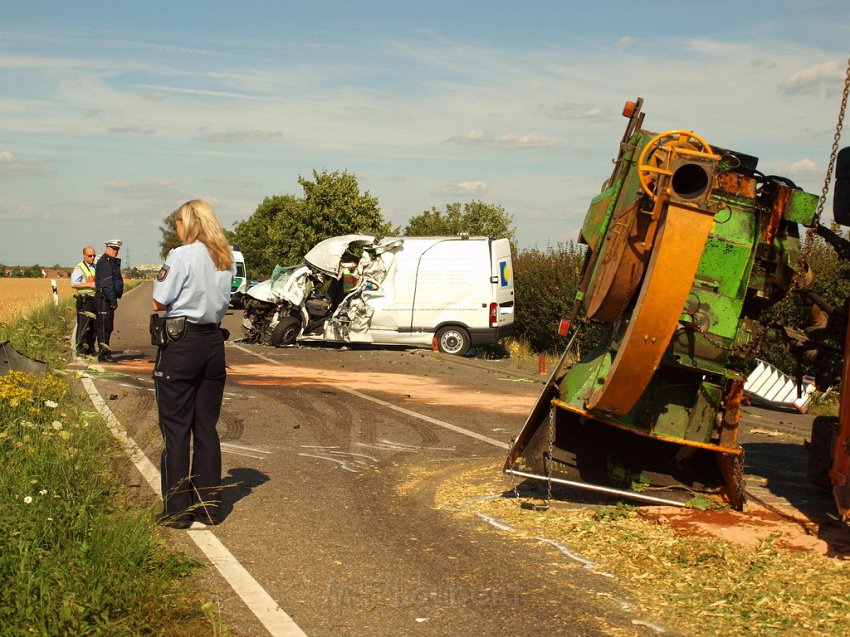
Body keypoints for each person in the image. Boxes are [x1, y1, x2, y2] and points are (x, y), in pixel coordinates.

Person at [152, 200, 235, 529]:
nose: (176, 227)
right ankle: (208, 506)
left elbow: (159, 299)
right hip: (213, 343)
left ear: (190, 223)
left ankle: (177, 508)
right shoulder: (223, 256)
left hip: (182, 343)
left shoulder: (181, 255)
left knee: (175, 430)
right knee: (205, 427)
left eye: (177, 222)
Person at [94, 239, 124, 362]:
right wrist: (113, 301)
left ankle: (105, 352)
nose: (115, 251)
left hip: (106, 299)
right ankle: (103, 354)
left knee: (108, 326)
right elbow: (107, 284)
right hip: (104, 299)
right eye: (113, 249)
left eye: (117, 249)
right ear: (107, 248)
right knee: (103, 327)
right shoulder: (106, 263)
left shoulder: (110, 262)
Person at [70, 246, 97, 356]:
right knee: (83, 326)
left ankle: (90, 348)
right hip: (85, 300)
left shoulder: (95, 267)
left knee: (94, 326)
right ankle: (81, 349)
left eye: (94, 255)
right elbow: (74, 284)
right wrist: (89, 285)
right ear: (84, 256)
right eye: (90, 255)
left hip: (95, 299)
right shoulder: (79, 268)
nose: (93, 257)